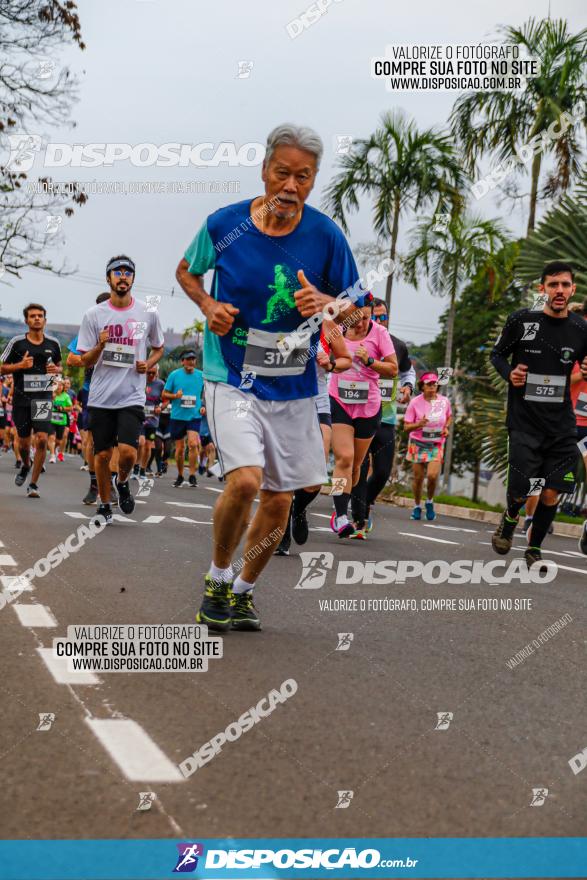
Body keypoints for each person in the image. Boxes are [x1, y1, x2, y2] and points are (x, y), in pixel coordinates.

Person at [175, 122, 365, 631]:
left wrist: (329, 304)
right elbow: (186, 271)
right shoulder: (224, 225)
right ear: (264, 170)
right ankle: (217, 577)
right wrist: (208, 303)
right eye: (282, 173)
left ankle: (243, 591)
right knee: (245, 482)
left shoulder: (325, 236)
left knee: (281, 499)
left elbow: (362, 318)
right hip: (231, 376)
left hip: (294, 387)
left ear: (313, 180)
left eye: (303, 177)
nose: (290, 186)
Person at [490, 261, 587, 567]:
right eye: (553, 284)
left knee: (551, 493)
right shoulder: (521, 321)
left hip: (561, 425)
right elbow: (496, 354)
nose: (559, 290)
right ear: (542, 288)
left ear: (573, 290)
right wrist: (510, 373)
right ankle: (510, 517)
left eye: (565, 285)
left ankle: (534, 548)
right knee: (520, 490)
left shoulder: (580, 328)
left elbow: (584, 361)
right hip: (524, 422)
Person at [77, 255, 164, 524]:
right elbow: (84, 361)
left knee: (128, 451)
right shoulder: (94, 314)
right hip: (102, 397)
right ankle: (105, 504)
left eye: (128, 272)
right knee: (102, 455)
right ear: (108, 278)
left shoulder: (148, 312)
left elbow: (159, 347)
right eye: (117, 272)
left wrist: (147, 363)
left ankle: (123, 480)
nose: (123, 276)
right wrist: (100, 346)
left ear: (133, 279)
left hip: (132, 395)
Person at [277, 318, 352, 554]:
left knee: (315, 476)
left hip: (318, 404)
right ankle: (281, 530)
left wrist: (329, 363)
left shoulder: (327, 326)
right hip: (284, 403)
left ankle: (299, 509)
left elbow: (346, 360)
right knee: (285, 470)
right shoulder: (279, 321)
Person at [328, 299, 397, 538]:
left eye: (367, 318)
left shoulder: (380, 334)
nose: (362, 323)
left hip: (368, 407)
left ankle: (343, 502)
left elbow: (393, 369)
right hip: (339, 401)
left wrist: (370, 360)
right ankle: (340, 515)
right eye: (357, 318)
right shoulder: (337, 329)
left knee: (356, 466)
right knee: (343, 459)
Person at [350, 298, 415, 537]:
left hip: (386, 417)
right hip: (360, 413)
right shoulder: (354, 339)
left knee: (383, 471)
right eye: (374, 317)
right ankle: (359, 517)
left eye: (382, 316)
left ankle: (365, 502)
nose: (378, 321)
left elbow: (407, 369)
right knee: (360, 464)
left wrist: (408, 387)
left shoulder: (396, 345)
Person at [0, 303, 61, 497]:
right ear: (26, 320)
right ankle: (26, 465)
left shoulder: (53, 343)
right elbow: (2, 367)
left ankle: (33, 484)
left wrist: (55, 372)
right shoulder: (17, 343)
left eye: (40, 315)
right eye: (33, 316)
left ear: (45, 319)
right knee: (24, 444)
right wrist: (20, 365)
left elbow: (58, 367)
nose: (37, 318)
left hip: (43, 397)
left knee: (42, 439)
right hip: (21, 399)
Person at [67, 291, 112, 504]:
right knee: (92, 439)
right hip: (92, 391)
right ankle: (95, 483)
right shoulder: (88, 330)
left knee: (122, 443)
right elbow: (71, 359)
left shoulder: (128, 331)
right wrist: (90, 357)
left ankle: (113, 482)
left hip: (120, 392)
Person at [403, 372, 452, 521]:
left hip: (436, 443)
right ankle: (417, 505)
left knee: (432, 475)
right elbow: (406, 427)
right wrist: (418, 424)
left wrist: (446, 427)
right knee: (418, 478)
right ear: (422, 387)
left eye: (434, 384)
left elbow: (449, 417)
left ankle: (429, 501)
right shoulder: (415, 403)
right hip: (417, 443)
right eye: (429, 384)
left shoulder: (444, 401)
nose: (432, 387)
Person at [162, 350, 204, 488]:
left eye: (193, 359)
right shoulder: (174, 375)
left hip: (194, 415)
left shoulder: (201, 376)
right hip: (178, 416)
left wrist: (203, 405)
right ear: (182, 361)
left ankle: (192, 475)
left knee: (193, 444)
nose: (191, 361)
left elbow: (207, 393)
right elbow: (164, 393)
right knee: (180, 449)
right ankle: (180, 475)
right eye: (188, 359)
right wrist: (175, 396)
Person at [134, 364, 165, 480]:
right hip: (139, 418)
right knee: (140, 443)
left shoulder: (161, 384)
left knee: (148, 446)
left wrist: (160, 407)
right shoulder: (139, 381)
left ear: (157, 372)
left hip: (153, 420)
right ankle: (136, 467)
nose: (151, 375)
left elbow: (166, 400)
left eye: (153, 373)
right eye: (149, 373)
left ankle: (142, 470)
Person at [48, 378, 72, 463]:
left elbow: (71, 408)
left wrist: (63, 408)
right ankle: (52, 455)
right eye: (57, 385)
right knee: (51, 437)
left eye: (61, 385)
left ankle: (54, 450)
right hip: (51, 419)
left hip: (61, 420)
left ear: (63, 387)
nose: (59, 387)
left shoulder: (66, 396)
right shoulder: (51, 395)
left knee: (58, 441)